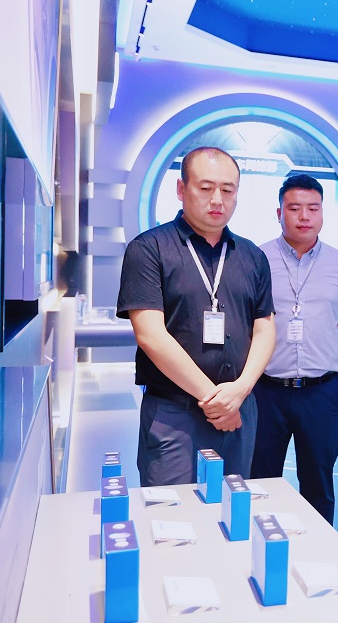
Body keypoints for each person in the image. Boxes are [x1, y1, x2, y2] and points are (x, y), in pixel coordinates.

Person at [117, 146, 276, 486]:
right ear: (181, 189)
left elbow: (264, 328)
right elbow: (150, 335)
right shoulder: (149, 249)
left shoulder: (252, 256)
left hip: (239, 409)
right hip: (175, 413)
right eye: (206, 188)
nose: (217, 199)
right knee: (173, 512)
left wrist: (241, 391)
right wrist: (214, 401)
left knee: (233, 506)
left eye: (228, 190)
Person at [250, 174, 338, 525]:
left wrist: (318, 348)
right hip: (266, 391)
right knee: (260, 481)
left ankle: (319, 550)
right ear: (279, 213)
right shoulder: (256, 259)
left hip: (321, 393)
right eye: (295, 208)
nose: (304, 216)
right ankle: (258, 545)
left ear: (322, 213)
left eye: (313, 208)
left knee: (319, 484)